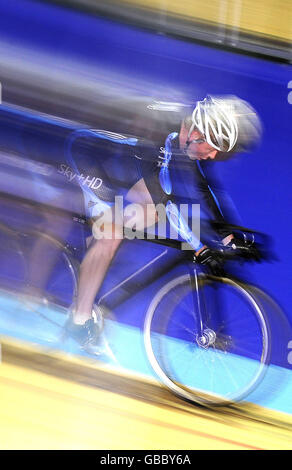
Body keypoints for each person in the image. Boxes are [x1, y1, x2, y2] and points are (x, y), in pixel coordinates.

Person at [65, 94, 262, 353]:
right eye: (214, 147)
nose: (213, 155)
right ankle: (79, 321)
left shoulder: (187, 133)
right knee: (110, 234)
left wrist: (229, 235)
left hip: (122, 160)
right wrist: (199, 249)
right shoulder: (162, 134)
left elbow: (204, 188)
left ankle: (92, 261)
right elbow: (166, 201)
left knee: (149, 213)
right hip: (88, 154)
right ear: (198, 134)